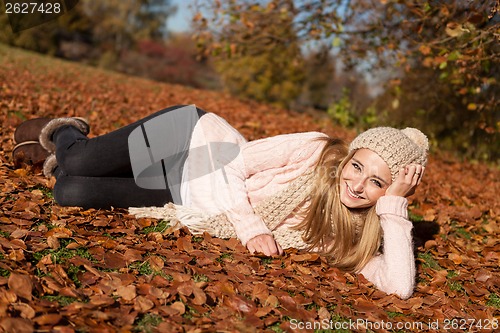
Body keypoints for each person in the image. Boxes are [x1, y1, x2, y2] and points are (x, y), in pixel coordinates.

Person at [12, 104, 428, 299]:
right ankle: (67, 131)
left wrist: (394, 208)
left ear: (388, 192)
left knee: (71, 190)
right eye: (357, 166)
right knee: (82, 158)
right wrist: (252, 227)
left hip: (188, 194)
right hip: (194, 141)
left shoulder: (349, 236)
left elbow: (399, 286)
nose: (356, 184)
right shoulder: (317, 150)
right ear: (349, 154)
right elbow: (234, 163)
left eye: (376, 183)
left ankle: (63, 156)